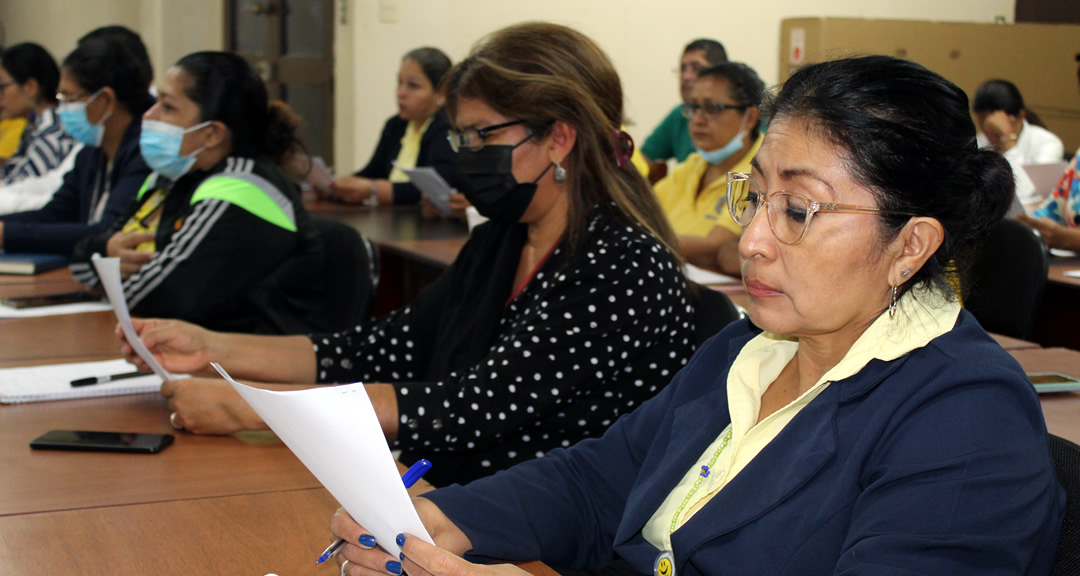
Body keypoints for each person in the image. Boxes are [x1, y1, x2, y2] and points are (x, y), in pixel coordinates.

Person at [329, 55, 1064, 576]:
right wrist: (448, 519)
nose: (751, 240)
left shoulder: (967, 420)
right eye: (756, 197)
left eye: (798, 210)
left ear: (911, 245)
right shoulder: (753, 345)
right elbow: (600, 478)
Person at [120, 22, 695, 487]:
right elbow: (384, 347)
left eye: (482, 137)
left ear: (559, 138)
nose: (466, 155)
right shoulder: (505, 236)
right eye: (460, 138)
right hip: (437, 496)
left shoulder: (624, 264)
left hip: (533, 533)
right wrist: (211, 348)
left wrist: (258, 408)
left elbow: (478, 405)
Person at [69, 52, 326, 335]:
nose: (149, 115)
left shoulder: (240, 189)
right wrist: (103, 253)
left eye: (167, 107)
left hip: (252, 364)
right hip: (191, 347)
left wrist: (104, 271)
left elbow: (154, 297)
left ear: (212, 134)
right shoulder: (172, 176)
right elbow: (83, 262)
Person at [0, 36, 152, 255]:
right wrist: (5, 230)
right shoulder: (92, 151)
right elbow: (55, 213)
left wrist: (7, 234)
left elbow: (107, 232)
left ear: (105, 100)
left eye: (69, 98)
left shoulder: (143, 153)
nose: (62, 109)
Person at [653, 62, 763, 276]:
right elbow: (639, 214)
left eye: (713, 108)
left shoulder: (763, 173)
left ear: (749, 117)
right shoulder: (692, 166)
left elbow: (714, 248)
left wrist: (640, 240)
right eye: (693, 107)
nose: (697, 120)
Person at [332, 47, 458, 207]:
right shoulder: (396, 125)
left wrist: (374, 189)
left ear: (441, 92)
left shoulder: (447, 128)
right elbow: (372, 172)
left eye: (413, 86)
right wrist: (339, 185)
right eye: (400, 83)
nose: (401, 93)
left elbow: (436, 188)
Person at [973, 79, 1064, 212]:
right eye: (983, 124)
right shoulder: (980, 141)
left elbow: (1023, 192)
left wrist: (1008, 140)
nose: (989, 133)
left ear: (1020, 116)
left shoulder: (1048, 143)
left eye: (997, 127)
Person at [639, 39, 727, 168]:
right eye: (683, 69)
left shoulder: (738, 116)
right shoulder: (680, 114)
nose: (686, 76)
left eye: (696, 68)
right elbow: (643, 159)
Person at [0, 43, 75, 189]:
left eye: (2, 87)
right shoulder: (34, 126)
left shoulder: (53, 129)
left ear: (30, 87)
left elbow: (21, 186)